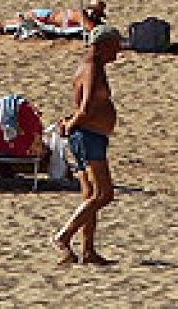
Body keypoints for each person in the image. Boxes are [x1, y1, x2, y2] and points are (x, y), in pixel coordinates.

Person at [53, 25, 122, 266]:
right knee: (104, 194)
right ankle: (63, 236)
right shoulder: (92, 68)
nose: (119, 51)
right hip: (88, 136)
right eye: (115, 46)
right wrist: (72, 124)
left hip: (89, 135)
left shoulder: (92, 66)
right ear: (103, 46)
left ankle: (88, 251)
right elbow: (86, 108)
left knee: (90, 196)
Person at [0, 0, 108, 35]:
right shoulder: (80, 15)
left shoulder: (81, 14)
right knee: (1, 26)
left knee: (2, 24)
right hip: (40, 19)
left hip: (45, 14)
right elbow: (93, 30)